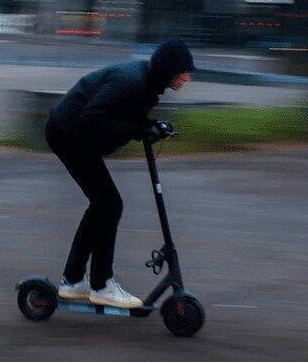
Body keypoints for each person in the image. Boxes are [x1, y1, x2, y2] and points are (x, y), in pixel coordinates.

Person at [44, 39, 195, 309]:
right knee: (109, 204)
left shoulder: (147, 85)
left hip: (74, 133)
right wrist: (140, 130)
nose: (188, 77)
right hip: (68, 132)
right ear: (168, 70)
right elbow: (93, 117)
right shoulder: (132, 82)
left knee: (105, 204)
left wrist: (151, 126)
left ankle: (74, 279)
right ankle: (101, 285)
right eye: (184, 71)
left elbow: (123, 116)